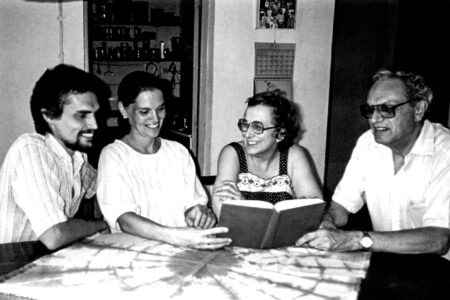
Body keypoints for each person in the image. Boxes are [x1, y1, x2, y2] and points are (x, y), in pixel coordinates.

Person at [296, 69, 450, 259]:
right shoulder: (368, 143)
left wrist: (355, 240)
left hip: (439, 269)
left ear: (418, 110)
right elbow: (341, 207)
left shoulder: (445, 153)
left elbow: (439, 239)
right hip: (392, 264)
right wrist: (327, 221)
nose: (374, 119)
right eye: (370, 110)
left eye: (386, 108)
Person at [96, 71, 231, 250]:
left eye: (160, 109)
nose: (155, 119)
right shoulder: (114, 155)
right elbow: (125, 220)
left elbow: (195, 206)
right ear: (123, 109)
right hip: (135, 253)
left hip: (181, 252)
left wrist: (201, 214)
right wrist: (175, 236)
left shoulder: (178, 152)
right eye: (144, 112)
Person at [0, 64, 110, 250]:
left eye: (95, 114)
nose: (95, 125)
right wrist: (101, 225)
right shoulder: (30, 149)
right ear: (49, 115)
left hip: (39, 262)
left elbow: (108, 185)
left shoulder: (77, 158)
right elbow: (54, 235)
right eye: (82, 115)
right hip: (10, 266)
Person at [212, 90, 323, 217]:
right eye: (245, 124)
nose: (247, 134)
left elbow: (313, 210)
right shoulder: (232, 153)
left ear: (280, 134)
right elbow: (222, 210)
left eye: (257, 127)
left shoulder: (294, 155)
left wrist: (244, 207)